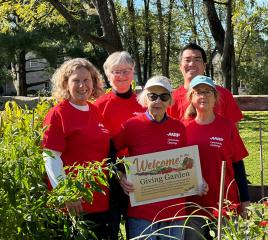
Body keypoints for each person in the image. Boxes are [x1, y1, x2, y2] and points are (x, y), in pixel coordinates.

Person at [42, 58, 112, 240]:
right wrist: (67, 193)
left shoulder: (95, 111)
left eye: (86, 80)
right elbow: (50, 156)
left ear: (94, 82)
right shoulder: (58, 114)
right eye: (76, 80)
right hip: (73, 204)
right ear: (66, 84)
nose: (82, 86)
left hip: (98, 200)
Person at [114, 76, 187, 240]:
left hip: (174, 212)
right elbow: (109, 155)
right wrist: (120, 176)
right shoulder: (131, 125)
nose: (158, 101)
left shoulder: (179, 128)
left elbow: (187, 164)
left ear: (170, 101)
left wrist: (198, 180)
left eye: (163, 96)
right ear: (144, 99)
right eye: (152, 96)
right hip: (141, 212)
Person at [183, 75, 250, 240]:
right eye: (198, 92)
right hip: (192, 207)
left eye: (207, 92)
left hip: (225, 206)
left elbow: (238, 165)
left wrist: (245, 200)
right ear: (191, 98)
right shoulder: (182, 128)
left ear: (215, 98)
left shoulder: (227, 127)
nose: (203, 96)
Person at [94, 51, 145, 239]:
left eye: (127, 71)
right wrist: (118, 173)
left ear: (133, 72)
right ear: (107, 75)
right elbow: (98, 147)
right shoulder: (99, 106)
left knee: (140, 228)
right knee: (111, 229)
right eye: (116, 71)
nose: (122, 76)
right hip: (111, 172)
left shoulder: (144, 103)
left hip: (141, 171)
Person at [167, 42, 243, 124]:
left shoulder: (223, 94)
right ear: (180, 66)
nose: (192, 64)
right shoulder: (170, 99)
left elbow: (233, 131)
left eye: (197, 59)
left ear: (204, 66)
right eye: (187, 60)